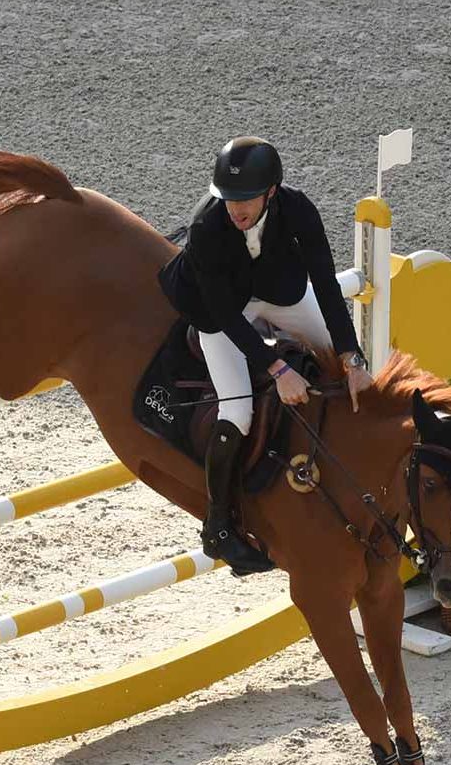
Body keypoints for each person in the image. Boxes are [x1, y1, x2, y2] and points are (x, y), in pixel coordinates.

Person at [159, 136, 374, 575]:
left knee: (342, 360)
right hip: (223, 312)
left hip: (278, 295)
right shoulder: (207, 226)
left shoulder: (298, 209)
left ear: (271, 192)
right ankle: (219, 525)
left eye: (245, 199)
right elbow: (224, 314)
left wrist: (352, 358)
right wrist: (277, 369)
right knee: (237, 410)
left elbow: (326, 286)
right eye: (228, 198)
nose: (235, 209)